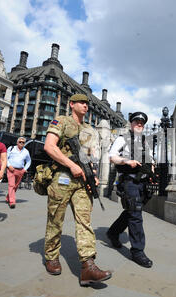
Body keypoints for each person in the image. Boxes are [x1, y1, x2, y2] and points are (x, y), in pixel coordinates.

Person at [43, 93, 112, 286]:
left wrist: (94, 175)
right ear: (71, 104)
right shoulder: (62, 121)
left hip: (83, 181)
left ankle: (88, 266)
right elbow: (49, 146)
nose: (85, 106)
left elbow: (90, 157)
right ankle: (51, 256)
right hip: (62, 177)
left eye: (87, 103)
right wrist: (70, 164)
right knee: (55, 219)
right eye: (81, 102)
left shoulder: (89, 129)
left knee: (85, 221)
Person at [106, 111, 155, 268]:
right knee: (136, 214)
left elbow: (151, 159)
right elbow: (112, 156)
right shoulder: (122, 139)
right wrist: (127, 161)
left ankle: (113, 232)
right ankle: (137, 251)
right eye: (136, 121)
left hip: (142, 182)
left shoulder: (145, 142)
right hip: (129, 181)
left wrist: (152, 168)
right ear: (131, 123)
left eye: (142, 122)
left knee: (131, 211)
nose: (139, 124)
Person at [6, 136, 31, 208]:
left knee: (15, 186)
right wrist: (9, 165)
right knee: (11, 185)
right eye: (20, 142)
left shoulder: (26, 151)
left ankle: (8, 197)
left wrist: (24, 169)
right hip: (11, 169)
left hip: (20, 171)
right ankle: (12, 201)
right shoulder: (11, 148)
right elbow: (6, 158)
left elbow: (29, 161)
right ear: (17, 142)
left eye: (23, 142)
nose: (21, 143)